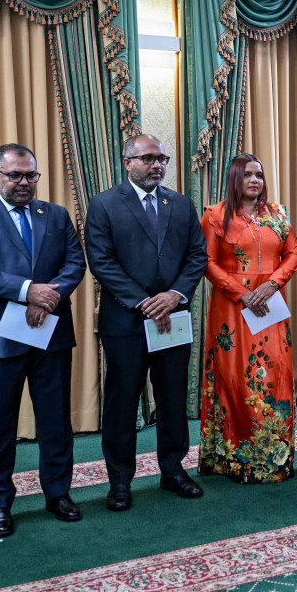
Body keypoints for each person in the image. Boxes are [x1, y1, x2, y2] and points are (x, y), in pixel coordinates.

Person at [0, 143, 87, 537]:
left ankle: (58, 494)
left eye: (31, 175)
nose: (25, 182)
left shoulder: (55, 215)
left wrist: (49, 297)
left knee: (56, 422)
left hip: (50, 333)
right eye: (15, 175)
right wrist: (28, 291)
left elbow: (74, 263)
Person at [85, 134, 208, 511]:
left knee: (172, 398)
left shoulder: (181, 204)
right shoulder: (104, 204)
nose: (157, 165)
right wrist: (144, 302)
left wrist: (175, 295)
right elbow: (101, 261)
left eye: (162, 159)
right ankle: (120, 480)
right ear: (128, 162)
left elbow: (197, 255)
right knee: (122, 403)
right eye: (149, 158)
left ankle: (173, 470)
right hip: (125, 321)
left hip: (173, 317)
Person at [198, 153, 297, 483]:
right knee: (236, 379)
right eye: (247, 175)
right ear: (234, 179)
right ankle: (237, 460)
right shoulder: (215, 215)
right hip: (232, 309)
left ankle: (274, 458)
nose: (255, 180)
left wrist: (271, 285)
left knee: (276, 375)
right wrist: (242, 293)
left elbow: (293, 253)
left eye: (259, 174)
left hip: (270, 306)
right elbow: (206, 262)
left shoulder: (278, 214)